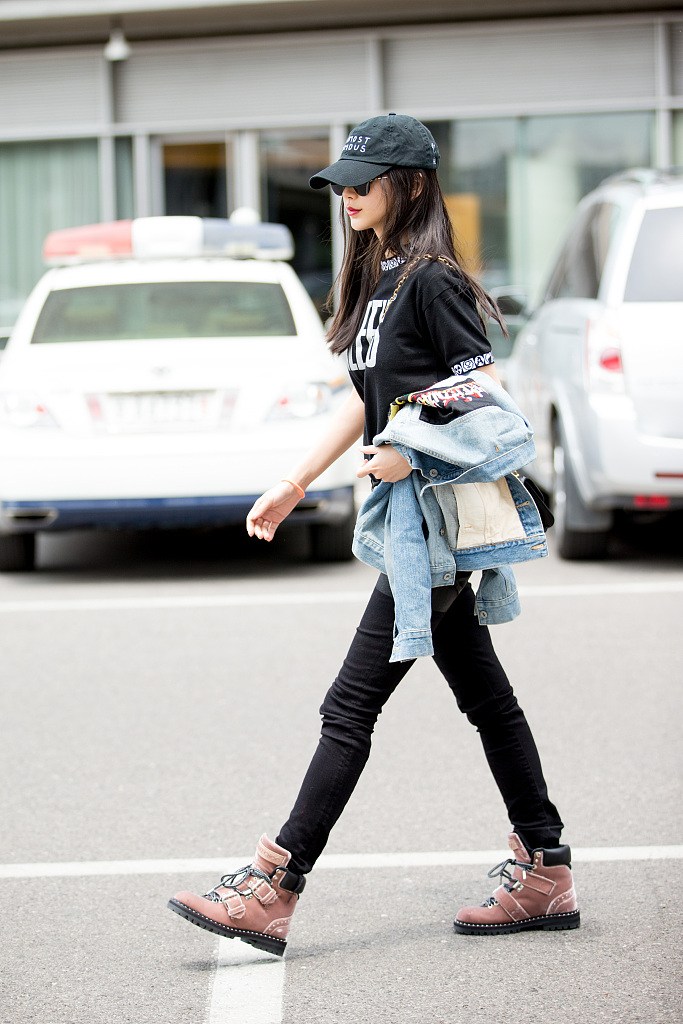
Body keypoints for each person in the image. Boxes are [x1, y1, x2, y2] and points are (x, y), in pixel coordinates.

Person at [168, 113, 580, 956]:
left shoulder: (431, 281)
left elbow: (485, 397)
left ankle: (274, 885)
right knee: (486, 700)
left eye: (365, 181)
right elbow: (368, 399)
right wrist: (294, 481)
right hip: (409, 527)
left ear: (413, 184)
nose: (348, 196)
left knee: (349, 706)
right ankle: (544, 868)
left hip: (428, 531)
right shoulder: (378, 276)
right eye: (342, 184)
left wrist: (409, 448)